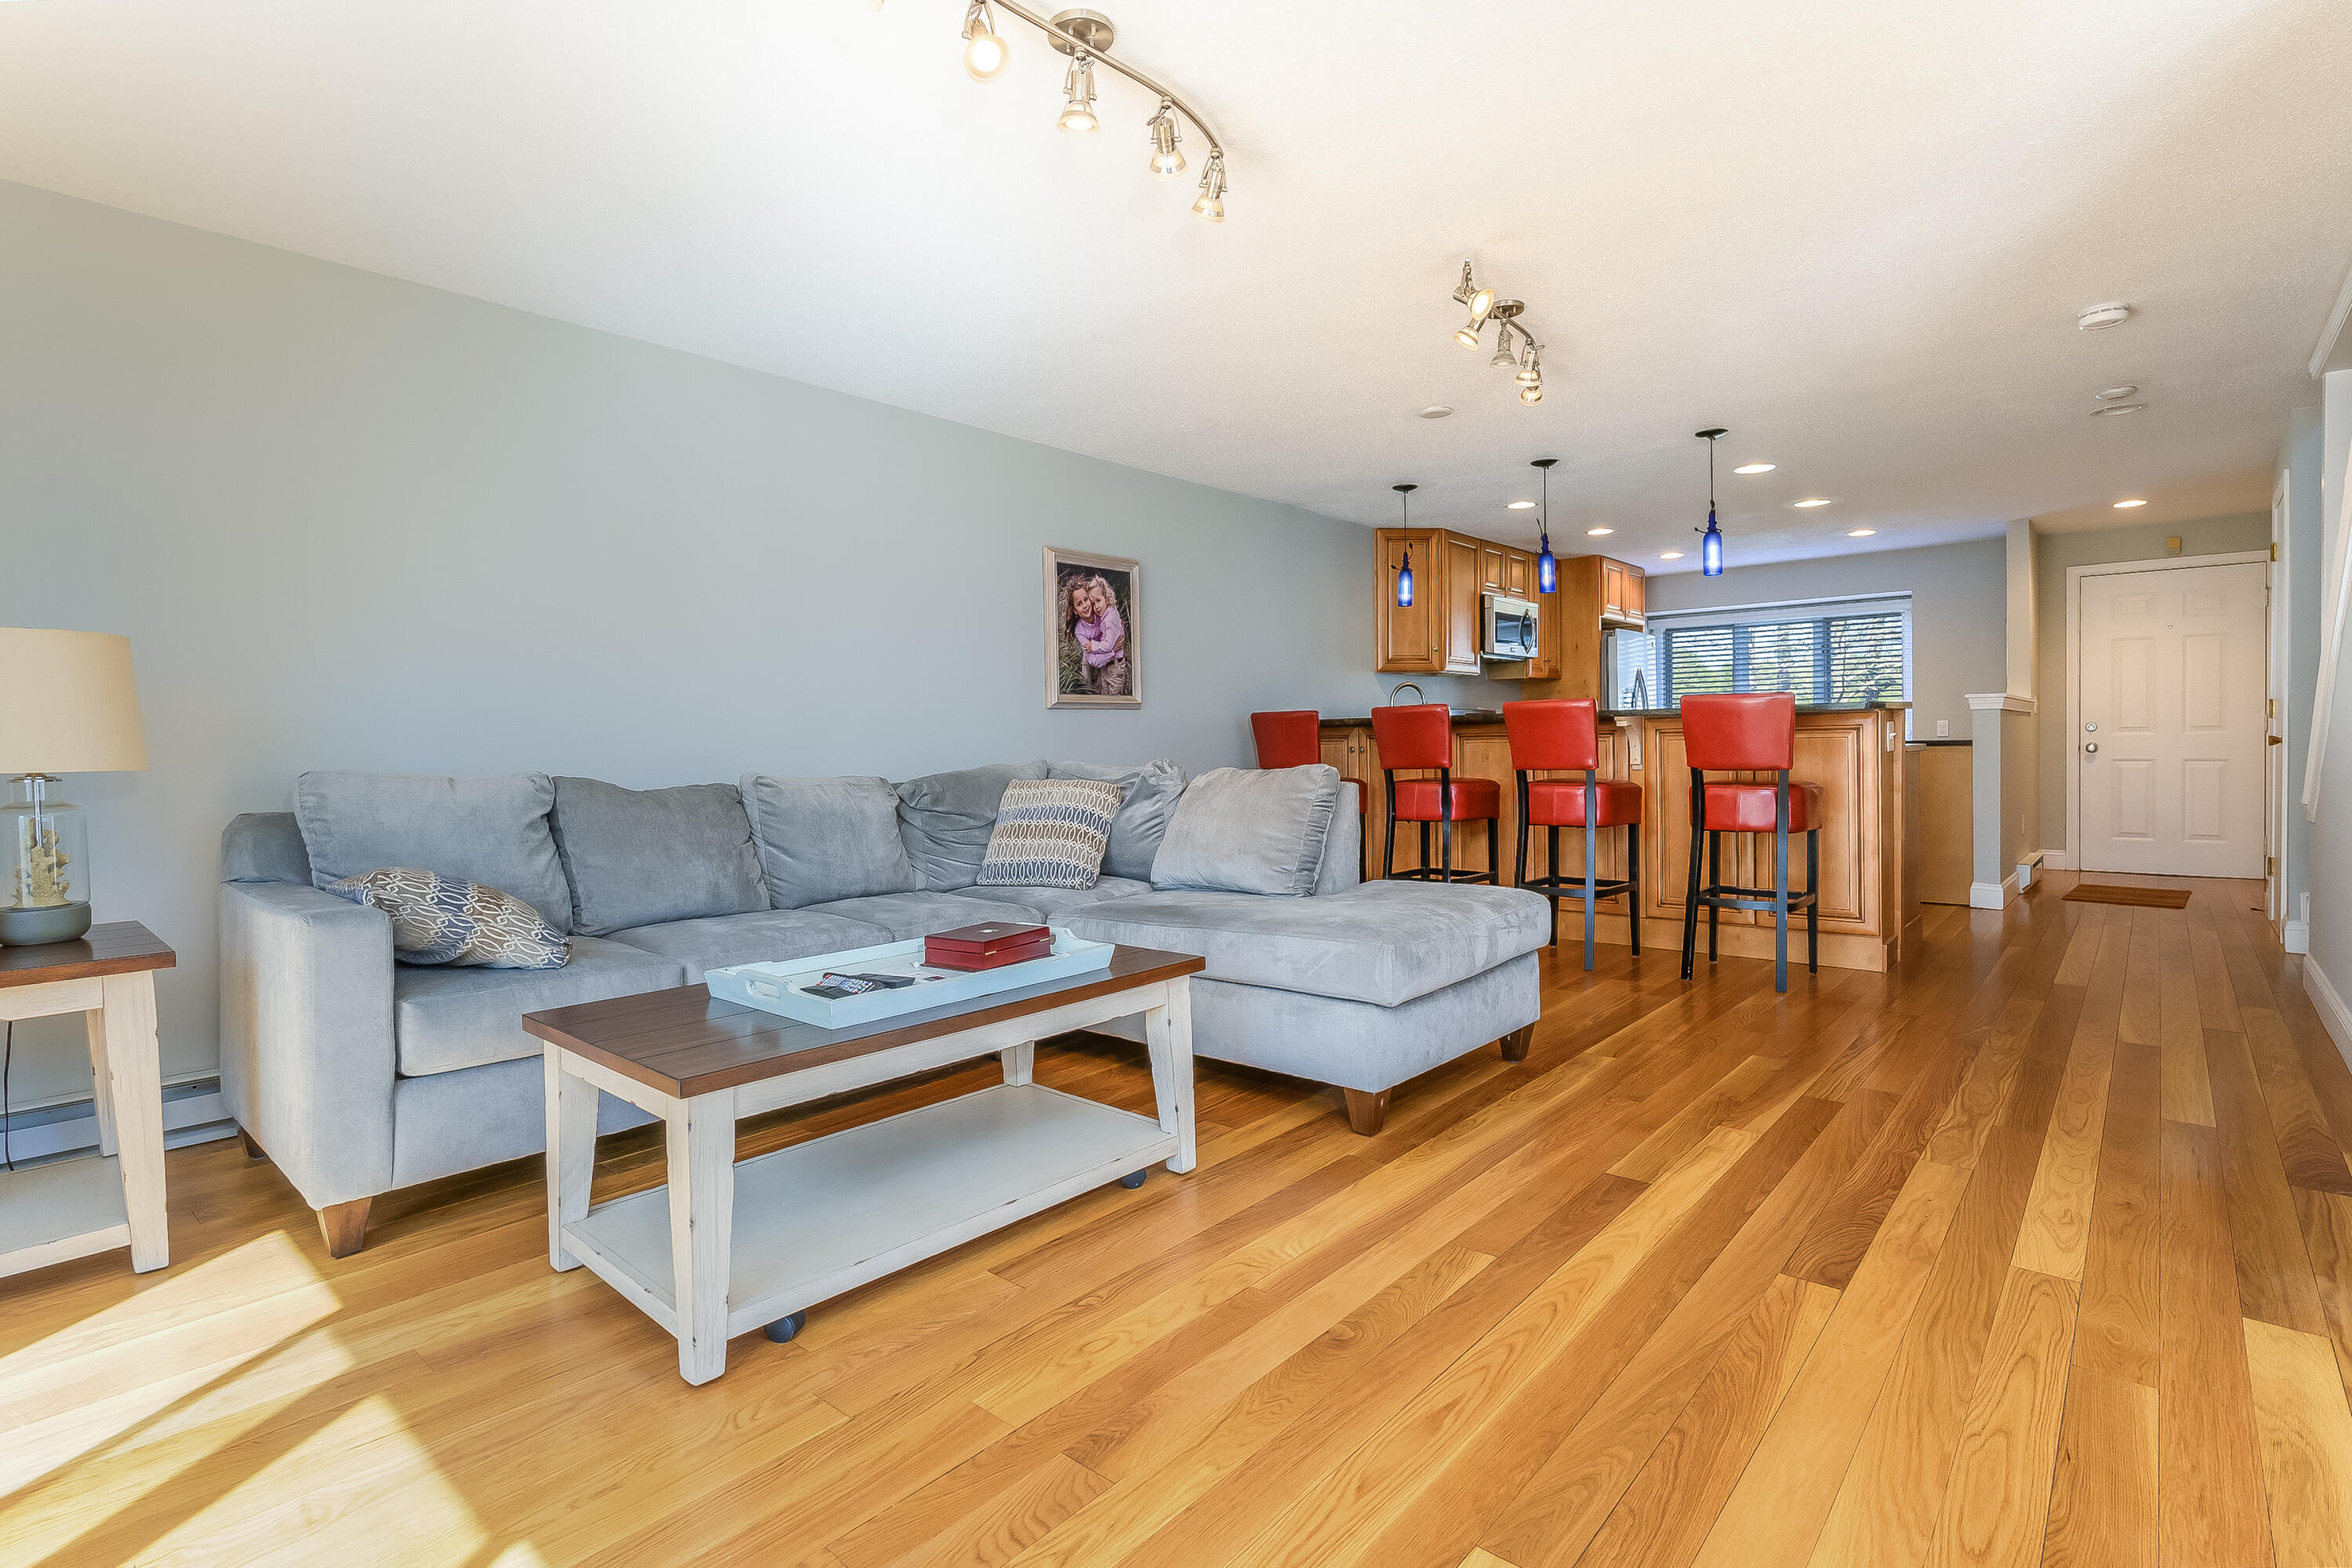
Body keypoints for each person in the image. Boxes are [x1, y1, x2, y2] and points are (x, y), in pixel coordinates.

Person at [1080, 576, 1128, 695]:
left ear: (1106, 597)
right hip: (1106, 666)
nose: (1096, 607)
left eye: (1099, 600)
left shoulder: (1109, 618)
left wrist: (1093, 646)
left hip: (1115, 669)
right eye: (1093, 603)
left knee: (1114, 701)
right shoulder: (1107, 614)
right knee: (1104, 696)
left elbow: (1108, 646)